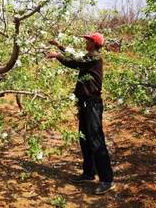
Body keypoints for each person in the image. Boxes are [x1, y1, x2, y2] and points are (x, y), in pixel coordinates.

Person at [46, 33, 114, 195]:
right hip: (84, 104)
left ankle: (107, 180)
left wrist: (57, 56)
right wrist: (59, 45)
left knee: (96, 139)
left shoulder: (95, 58)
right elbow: (76, 57)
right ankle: (88, 173)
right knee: (84, 138)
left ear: (94, 43)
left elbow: (74, 62)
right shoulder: (88, 57)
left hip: (92, 104)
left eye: (88, 40)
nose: (85, 41)